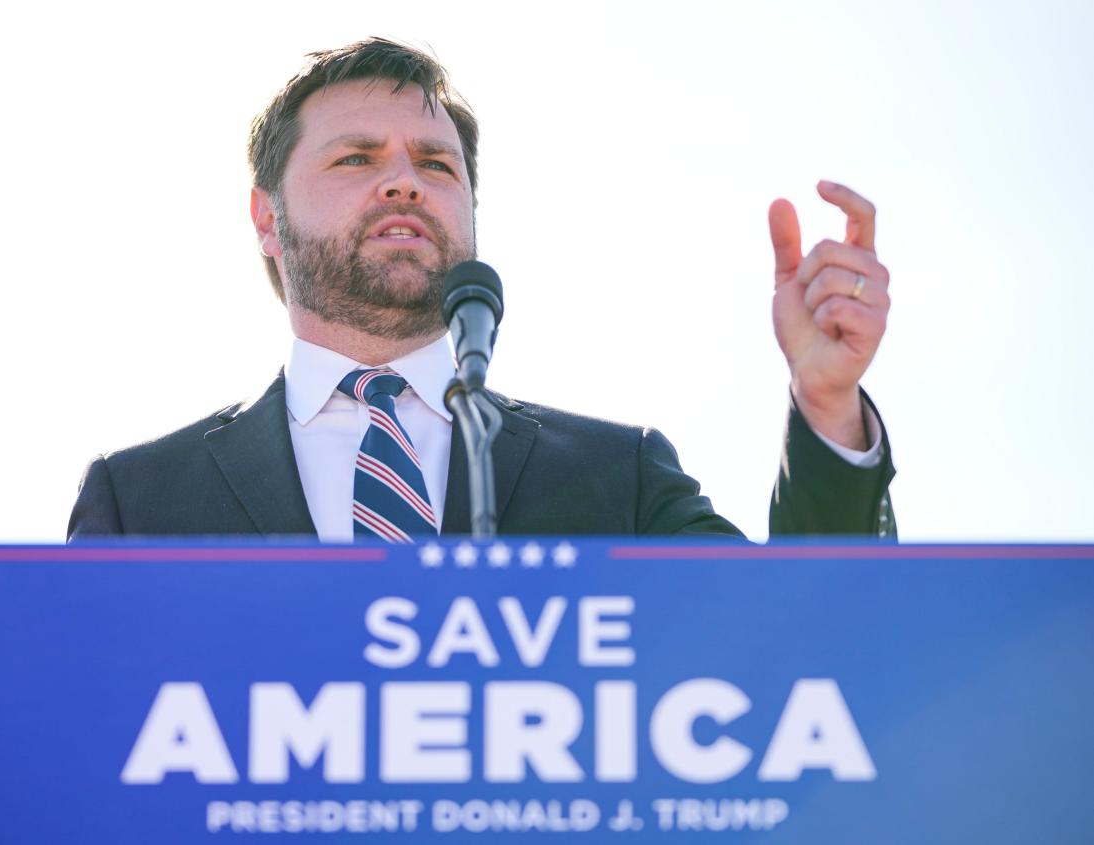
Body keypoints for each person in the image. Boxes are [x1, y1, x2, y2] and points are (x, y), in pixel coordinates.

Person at [67, 38, 895, 542]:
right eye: (356, 158)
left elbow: (794, 643)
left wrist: (825, 405)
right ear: (265, 217)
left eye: (434, 164)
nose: (403, 183)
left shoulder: (619, 475)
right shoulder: (141, 498)